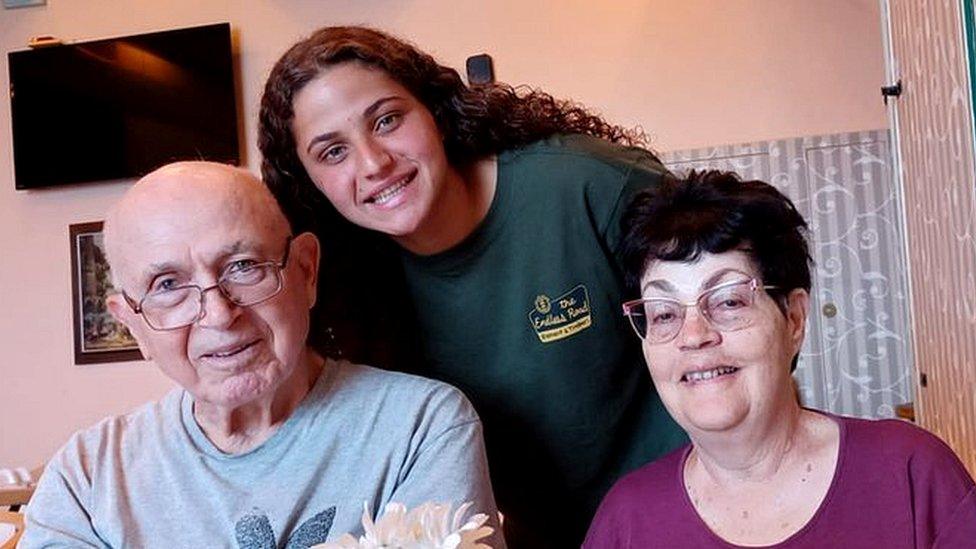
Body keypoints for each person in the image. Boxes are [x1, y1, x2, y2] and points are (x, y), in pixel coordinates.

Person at [258, 26, 687, 547]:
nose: (373, 164)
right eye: (332, 153)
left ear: (434, 110)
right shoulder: (340, 285)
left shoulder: (590, 186)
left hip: (686, 519)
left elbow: (742, 331)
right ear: (309, 184)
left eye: (387, 120)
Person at [21, 162, 503, 548]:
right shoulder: (87, 476)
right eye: (167, 286)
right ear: (133, 324)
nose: (217, 314)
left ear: (306, 271)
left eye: (243, 266)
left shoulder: (420, 428)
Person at [583, 170, 976, 548]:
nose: (694, 336)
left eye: (728, 301)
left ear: (794, 319)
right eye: (664, 313)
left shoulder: (912, 473)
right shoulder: (627, 520)